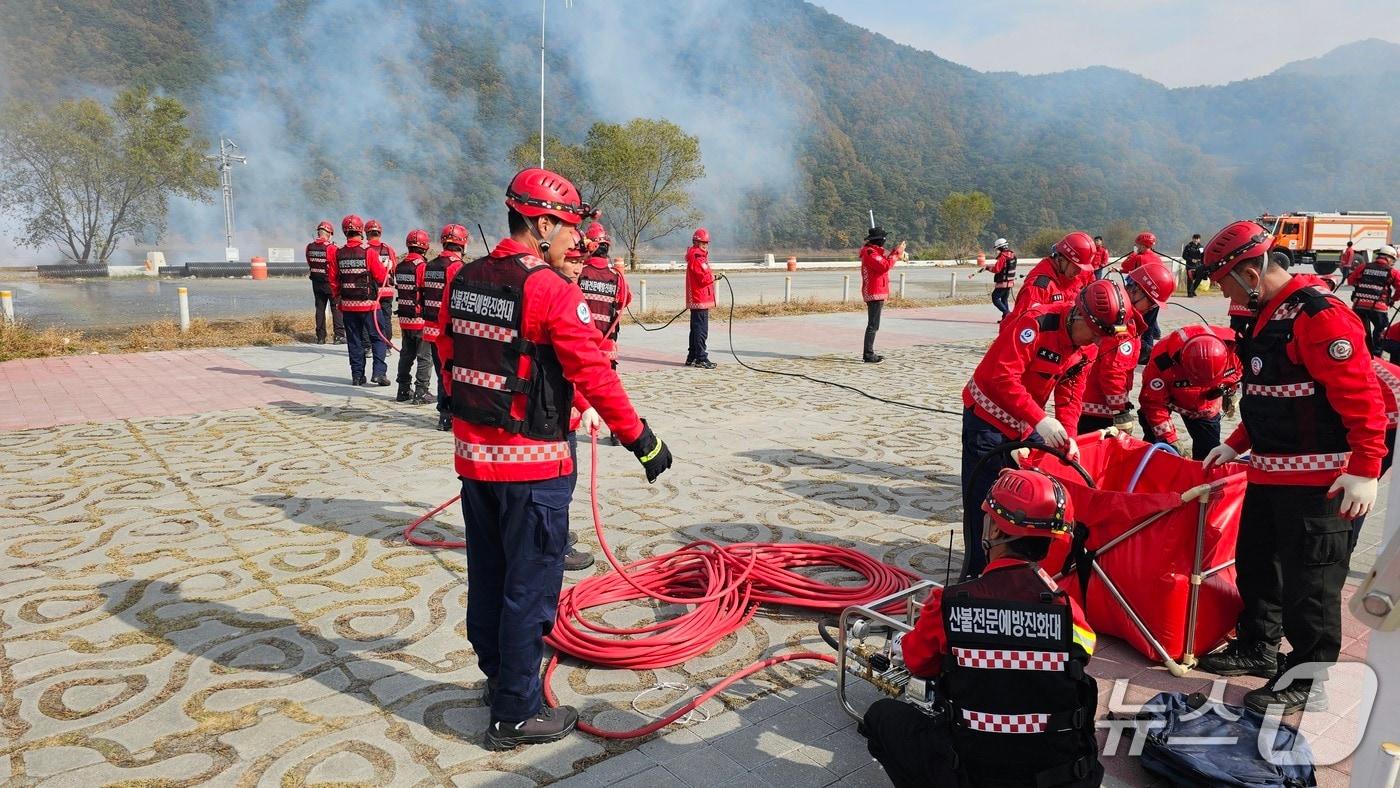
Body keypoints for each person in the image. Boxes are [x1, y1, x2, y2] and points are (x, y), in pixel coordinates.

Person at [433, 167, 673, 750]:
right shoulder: (550, 291)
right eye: (568, 229)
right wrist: (642, 439)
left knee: (488, 578)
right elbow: (592, 371)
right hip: (533, 468)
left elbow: (445, 349)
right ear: (541, 224)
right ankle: (516, 713)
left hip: (474, 463)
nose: (577, 241)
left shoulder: (463, 277)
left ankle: (499, 682)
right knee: (530, 588)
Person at [1196, 220, 1387, 715]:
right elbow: (1269, 395)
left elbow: (1362, 399)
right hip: (1270, 473)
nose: (1225, 295)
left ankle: (1310, 676)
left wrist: (1366, 468)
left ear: (1251, 272)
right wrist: (1236, 443)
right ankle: (1260, 646)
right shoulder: (1267, 316)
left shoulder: (1321, 317)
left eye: (1226, 283)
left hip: (1323, 483)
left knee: (1312, 585)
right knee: (1259, 565)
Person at [862, 468, 1102, 788]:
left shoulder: (948, 605)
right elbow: (1081, 654)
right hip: (1059, 778)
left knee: (881, 717)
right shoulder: (1067, 611)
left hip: (973, 776)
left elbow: (917, 662)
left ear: (999, 532)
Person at [960, 278, 1131, 578]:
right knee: (983, 503)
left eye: (1101, 337)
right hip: (986, 416)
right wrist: (1040, 419)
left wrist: (1068, 435)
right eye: (1092, 333)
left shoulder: (1087, 348)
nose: (1094, 342)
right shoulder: (1037, 324)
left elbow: (1071, 394)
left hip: (1025, 421)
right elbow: (1002, 378)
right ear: (1079, 314)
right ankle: (976, 576)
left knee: (1017, 497)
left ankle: (1012, 568)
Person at [1078, 263, 1175, 434]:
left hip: (1085, 399)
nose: (1151, 309)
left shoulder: (1115, 309)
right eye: (1151, 303)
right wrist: (1120, 410)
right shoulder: (1124, 324)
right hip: (1098, 408)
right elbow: (1113, 372)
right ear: (1136, 291)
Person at [1137, 325, 1241, 460]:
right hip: (1167, 397)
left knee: (1208, 454)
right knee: (1160, 449)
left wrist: (1229, 391)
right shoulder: (1162, 361)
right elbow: (1153, 403)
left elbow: (1237, 373)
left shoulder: (1235, 350)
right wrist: (1169, 438)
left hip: (1205, 404)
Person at [578, 222, 632, 446]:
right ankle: (617, 432)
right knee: (609, 390)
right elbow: (625, 300)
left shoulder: (579, 273)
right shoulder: (616, 277)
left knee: (577, 385)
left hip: (581, 343)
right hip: (607, 345)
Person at [327, 214, 389, 386]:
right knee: (378, 338)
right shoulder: (368, 253)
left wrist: (338, 298)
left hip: (348, 306)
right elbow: (380, 275)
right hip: (370, 306)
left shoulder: (337, 254)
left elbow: (332, 279)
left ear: (344, 232)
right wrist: (386, 268)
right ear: (361, 231)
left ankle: (357, 376)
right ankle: (379, 373)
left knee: (354, 341)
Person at [422, 224, 469, 431]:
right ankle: (448, 415)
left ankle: (445, 414)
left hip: (430, 328)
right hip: (449, 331)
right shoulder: (456, 267)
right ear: (463, 243)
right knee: (452, 374)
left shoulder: (429, 265)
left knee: (443, 373)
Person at [1010, 231, 1096, 319]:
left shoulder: (1074, 277)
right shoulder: (1038, 289)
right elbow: (1021, 325)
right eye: (1076, 267)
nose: (1078, 272)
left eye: (1082, 268)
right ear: (1061, 259)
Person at [393, 229, 434, 404]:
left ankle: (402, 389)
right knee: (425, 356)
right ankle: (421, 391)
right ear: (425, 247)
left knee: (406, 355)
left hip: (404, 318)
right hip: (420, 319)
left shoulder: (400, 266)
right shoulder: (423, 267)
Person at [859, 226, 906, 362]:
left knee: (874, 324)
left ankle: (869, 353)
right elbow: (884, 266)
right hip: (874, 292)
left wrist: (896, 252)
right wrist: (897, 253)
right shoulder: (870, 253)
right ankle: (868, 354)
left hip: (878, 291)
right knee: (873, 325)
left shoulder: (875, 252)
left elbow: (885, 262)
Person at [1346, 244, 1400, 355]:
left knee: (1361, 332)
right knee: (1381, 332)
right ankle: (1376, 356)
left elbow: (1350, 281)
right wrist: (1393, 299)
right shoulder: (1392, 272)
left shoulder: (1363, 267)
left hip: (1359, 306)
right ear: (1389, 258)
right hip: (1378, 308)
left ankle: (1362, 353)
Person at [1121, 232, 1165, 362]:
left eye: (1138, 245)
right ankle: (1149, 354)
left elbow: (1125, 266)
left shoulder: (1139, 258)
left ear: (1141, 245)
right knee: (1149, 327)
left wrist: (1133, 255)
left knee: (1138, 325)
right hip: (1155, 298)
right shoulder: (1157, 258)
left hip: (1140, 298)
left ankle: (1139, 352)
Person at [306, 220, 345, 344]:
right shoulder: (331, 248)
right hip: (330, 282)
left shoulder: (309, 247)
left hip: (316, 282)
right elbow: (336, 265)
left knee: (320, 308)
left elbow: (309, 262)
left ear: (318, 233)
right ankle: (339, 335)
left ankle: (321, 337)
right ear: (329, 234)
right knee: (336, 308)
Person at [685, 227, 717, 368]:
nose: (705, 245)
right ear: (696, 242)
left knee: (695, 329)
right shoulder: (698, 257)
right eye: (703, 243)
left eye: (706, 243)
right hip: (700, 299)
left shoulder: (696, 255)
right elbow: (702, 278)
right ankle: (701, 358)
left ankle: (692, 356)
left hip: (698, 298)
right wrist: (713, 277)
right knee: (701, 330)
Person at [986, 238, 1017, 321]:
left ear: (1001, 247)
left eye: (998, 248)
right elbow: (1004, 267)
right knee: (1004, 299)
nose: (997, 250)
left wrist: (988, 268)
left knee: (995, 298)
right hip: (1010, 282)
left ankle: (1007, 313)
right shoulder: (1012, 255)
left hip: (1003, 283)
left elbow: (997, 269)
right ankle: (1006, 319)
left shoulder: (1003, 257)